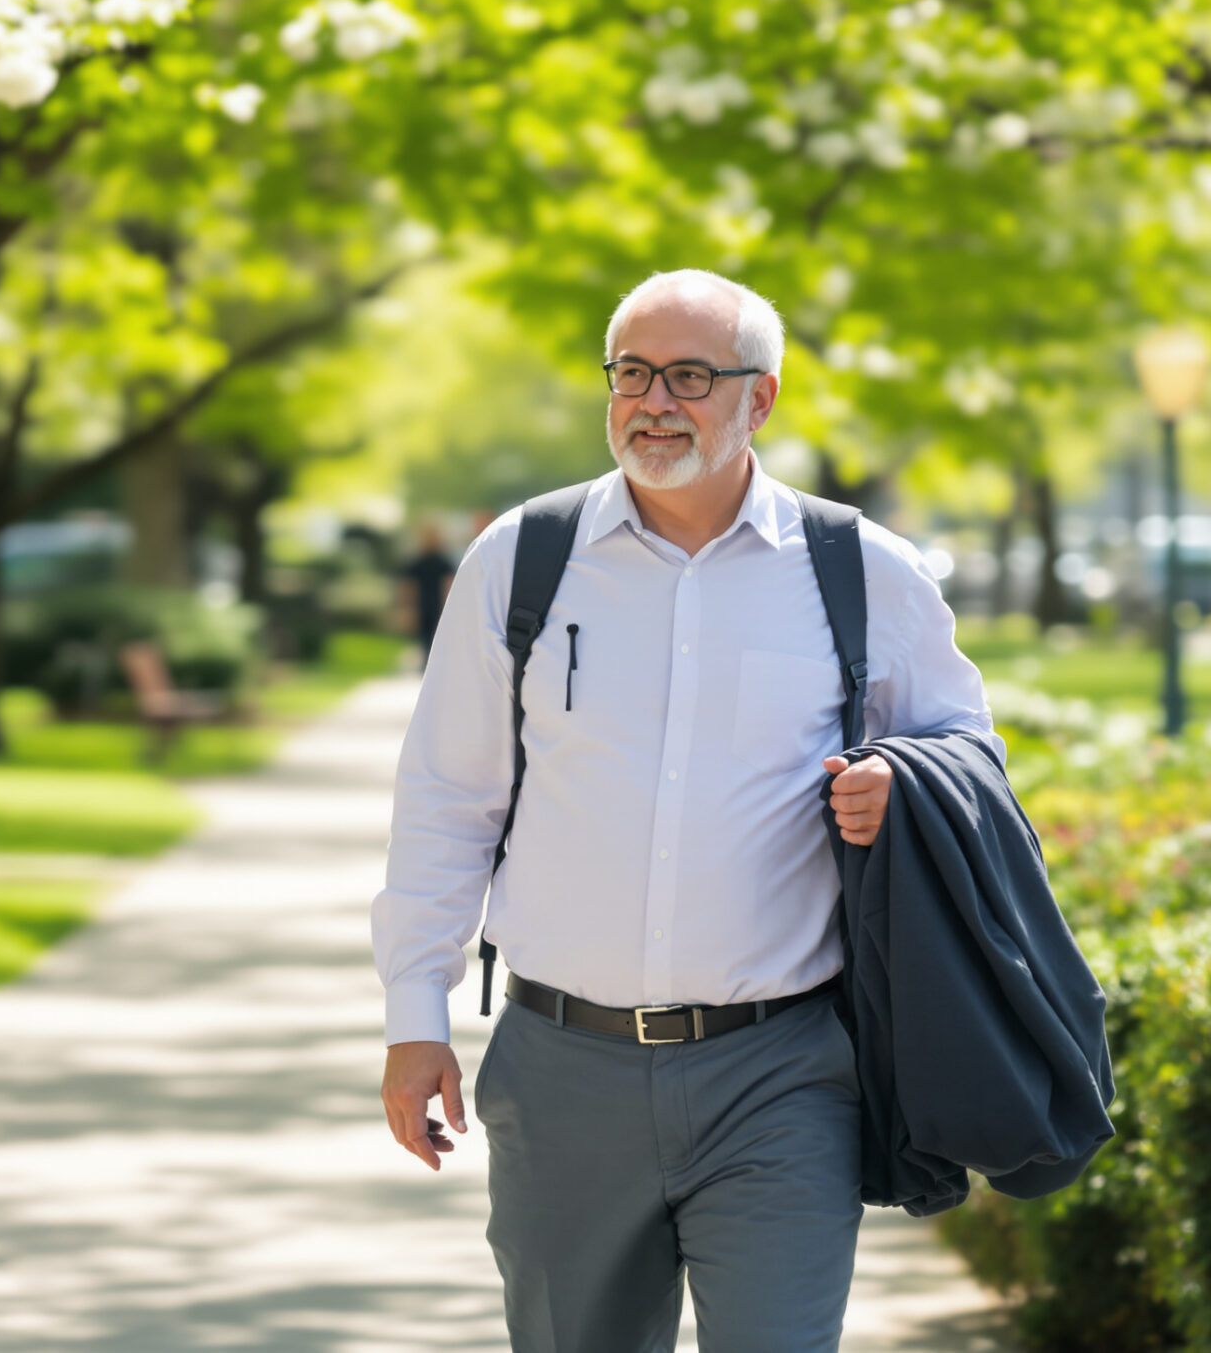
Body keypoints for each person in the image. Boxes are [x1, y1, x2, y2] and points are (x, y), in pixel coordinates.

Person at [371, 270, 999, 1352]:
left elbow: (969, 750)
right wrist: (412, 1015)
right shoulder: (520, 561)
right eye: (630, 372)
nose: (653, 400)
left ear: (759, 400)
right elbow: (446, 798)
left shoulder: (863, 572)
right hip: (560, 1066)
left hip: (782, 1074)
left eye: (691, 376)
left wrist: (902, 780)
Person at [397, 521, 458, 666]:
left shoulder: (442, 562)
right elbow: (409, 587)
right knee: (428, 639)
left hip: (434, 606)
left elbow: (448, 586)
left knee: (432, 639)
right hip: (426, 606)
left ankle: (431, 665)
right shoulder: (422, 562)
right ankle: (430, 665)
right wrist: (408, 608)